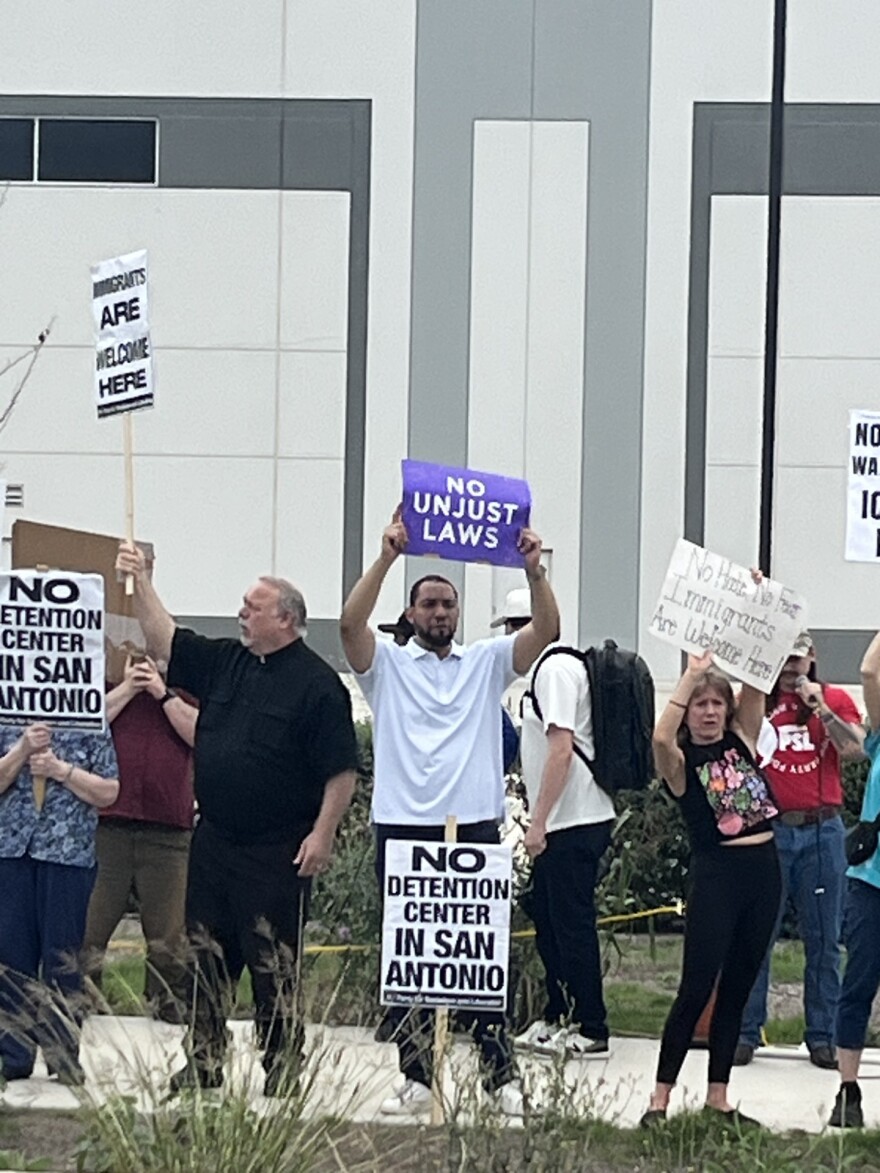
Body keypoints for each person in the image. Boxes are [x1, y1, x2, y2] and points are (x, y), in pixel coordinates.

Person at [115, 543, 359, 1096]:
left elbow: (341, 770)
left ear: (286, 618)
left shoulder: (319, 686)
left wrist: (323, 834)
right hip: (216, 843)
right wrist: (141, 582)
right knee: (204, 958)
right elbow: (166, 640)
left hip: (277, 851)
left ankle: (282, 1068)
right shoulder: (227, 660)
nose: (241, 614)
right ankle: (203, 1062)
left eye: (252, 606)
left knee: (273, 965)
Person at [339, 514, 559, 1117]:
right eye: (429, 604)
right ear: (411, 613)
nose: (440, 613)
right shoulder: (387, 667)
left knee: (480, 956)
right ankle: (417, 1078)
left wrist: (533, 571)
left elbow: (547, 630)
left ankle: (499, 1077)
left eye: (448, 605)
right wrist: (385, 558)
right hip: (404, 825)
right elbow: (349, 625)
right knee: (410, 956)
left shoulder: (484, 663)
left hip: (474, 826)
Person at [641, 652, 781, 1127]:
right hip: (717, 873)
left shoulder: (741, 740)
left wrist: (757, 622)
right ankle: (660, 1100)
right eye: (699, 704)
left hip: (763, 871)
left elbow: (757, 687)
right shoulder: (680, 761)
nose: (708, 711)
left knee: (738, 987)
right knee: (697, 987)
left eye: (716, 703)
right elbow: (661, 736)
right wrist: (691, 677)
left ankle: (717, 1097)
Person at [735, 631, 864, 1069]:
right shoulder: (761, 703)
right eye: (783, 660)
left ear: (812, 657)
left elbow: (856, 750)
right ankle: (746, 1031)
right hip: (771, 830)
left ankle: (823, 1035)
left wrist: (820, 708)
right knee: (756, 935)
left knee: (825, 940)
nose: (791, 669)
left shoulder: (833, 699)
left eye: (798, 659)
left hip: (821, 830)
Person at [0, 721, 118, 1086]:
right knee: (11, 958)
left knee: (63, 957)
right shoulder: (6, 716)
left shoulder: (90, 722)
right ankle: (13, 1055)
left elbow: (109, 791)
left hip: (68, 856)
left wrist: (60, 771)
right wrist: (21, 750)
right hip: (12, 851)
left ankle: (63, 1055)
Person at [82, 655, 197, 1023]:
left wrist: (162, 693)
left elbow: (200, 735)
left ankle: (166, 1006)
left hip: (167, 828)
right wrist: (128, 689)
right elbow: (83, 725)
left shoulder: (188, 691)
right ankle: (82, 1002)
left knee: (169, 936)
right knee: (88, 929)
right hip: (107, 824)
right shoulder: (106, 684)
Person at [513, 644, 615, 1059]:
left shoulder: (553, 670)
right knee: (550, 920)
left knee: (571, 925)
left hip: (572, 818)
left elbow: (561, 750)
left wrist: (538, 821)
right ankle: (559, 1015)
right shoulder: (562, 668)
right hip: (569, 818)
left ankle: (591, 1026)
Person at [828, 628, 880, 1128]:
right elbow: (869, 669)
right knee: (858, 983)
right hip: (872, 881)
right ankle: (848, 1088)